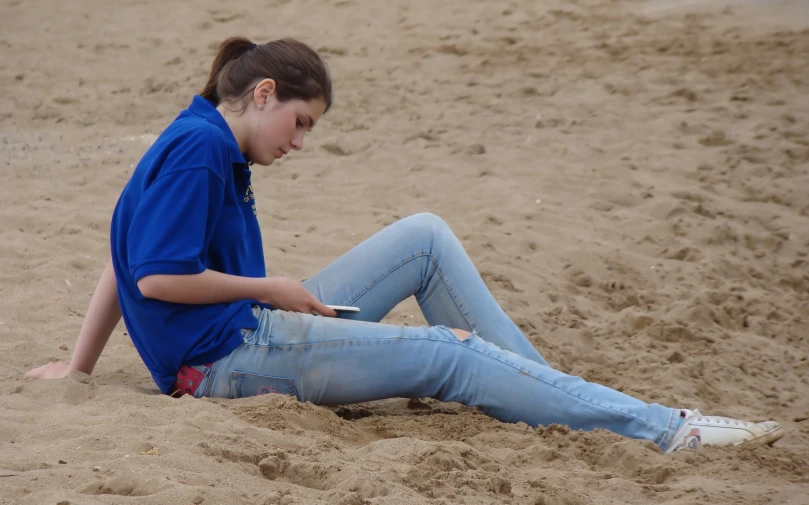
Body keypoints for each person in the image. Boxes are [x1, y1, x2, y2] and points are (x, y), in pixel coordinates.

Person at [26, 37, 784, 454]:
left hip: (248, 334)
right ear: (263, 96)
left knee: (422, 236)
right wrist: (270, 287)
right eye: (300, 123)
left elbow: (119, 253)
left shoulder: (197, 136)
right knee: (452, 353)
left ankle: (551, 393)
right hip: (225, 362)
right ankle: (665, 427)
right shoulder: (197, 150)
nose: (299, 143)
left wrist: (80, 366)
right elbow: (152, 276)